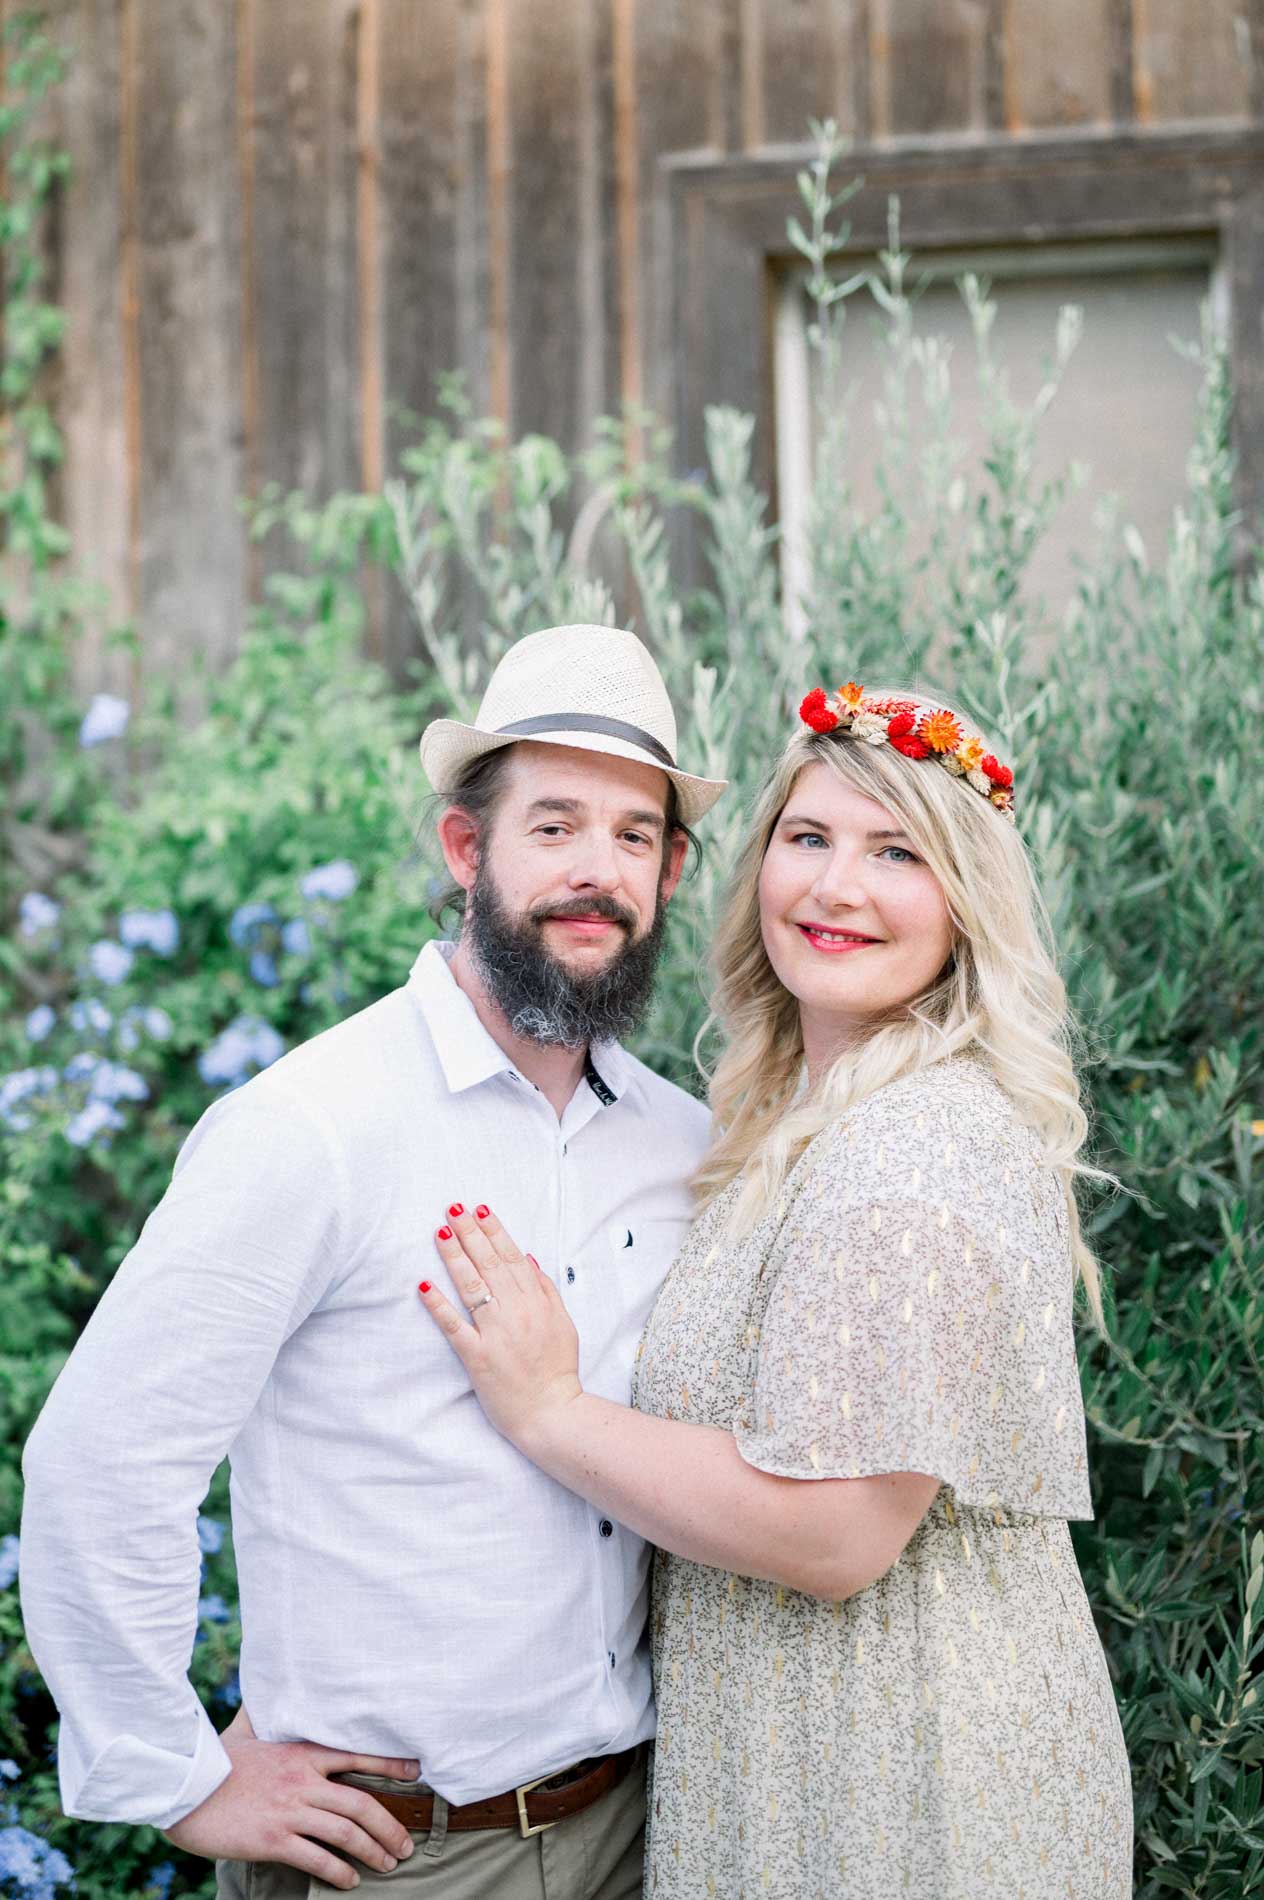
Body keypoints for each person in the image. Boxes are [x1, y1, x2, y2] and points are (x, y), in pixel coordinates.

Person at [20, 623, 727, 1900]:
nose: (597, 873)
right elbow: (102, 1458)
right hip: (397, 1858)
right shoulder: (313, 1129)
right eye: (554, 825)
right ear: (468, 849)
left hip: (638, 1833)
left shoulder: (682, 1147)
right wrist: (179, 1776)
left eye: (634, 836)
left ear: (670, 873)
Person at [417, 679, 1134, 1897]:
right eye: (808, 839)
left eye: (896, 851)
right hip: (813, 1752)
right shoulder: (800, 1121)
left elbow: (838, 1529)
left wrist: (550, 1413)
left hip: (903, 1785)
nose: (835, 886)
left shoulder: (912, 1149)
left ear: (965, 902)